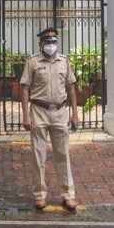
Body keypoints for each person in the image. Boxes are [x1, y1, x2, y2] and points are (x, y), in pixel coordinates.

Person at [20, 27, 79, 211]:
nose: (51, 45)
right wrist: (25, 115)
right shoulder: (33, 62)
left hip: (60, 111)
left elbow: (71, 87)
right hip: (39, 110)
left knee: (63, 154)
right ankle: (39, 194)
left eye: (53, 42)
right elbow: (24, 88)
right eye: (47, 42)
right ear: (41, 44)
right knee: (39, 155)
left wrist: (75, 113)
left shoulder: (64, 62)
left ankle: (67, 194)